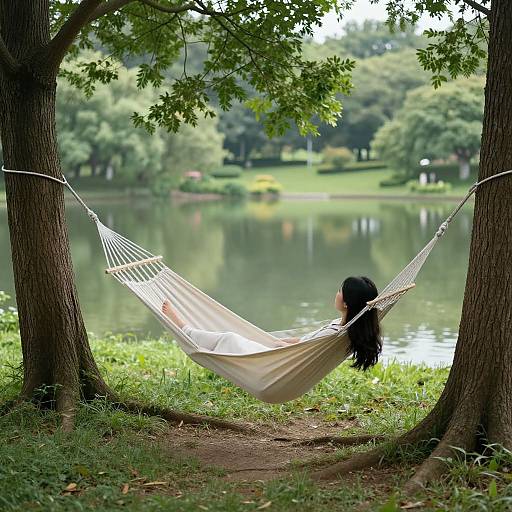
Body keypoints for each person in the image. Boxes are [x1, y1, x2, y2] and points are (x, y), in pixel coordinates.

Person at [162, 276, 382, 371]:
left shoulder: (335, 334)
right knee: (231, 337)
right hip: (280, 355)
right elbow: (305, 343)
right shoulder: (343, 327)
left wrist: (277, 347)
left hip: (278, 363)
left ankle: (183, 326)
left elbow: (301, 351)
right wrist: (276, 341)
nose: (336, 293)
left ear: (346, 302)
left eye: (339, 291)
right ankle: (193, 334)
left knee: (229, 338)